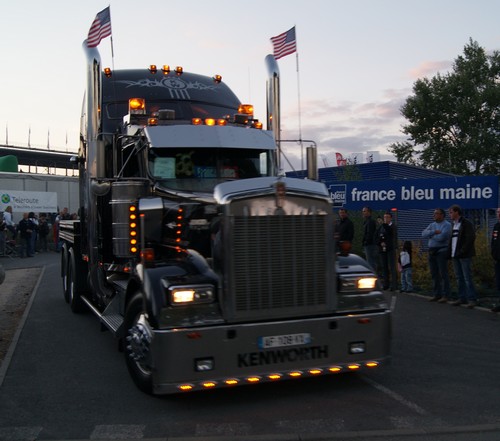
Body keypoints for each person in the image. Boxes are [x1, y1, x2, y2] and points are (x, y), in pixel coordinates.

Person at [448, 204, 477, 308]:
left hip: (464, 255)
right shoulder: (453, 224)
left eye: (451, 212)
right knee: (459, 277)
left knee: (467, 277)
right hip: (454, 254)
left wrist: (462, 251)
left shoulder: (466, 223)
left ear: (457, 212)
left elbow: (470, 238)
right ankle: (462, 297)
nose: (450, 214)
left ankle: (472, 299)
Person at [421, 208, 452, 302]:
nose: (434, 215)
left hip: (441, 251)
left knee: (443, 273)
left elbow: (442, 238)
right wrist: (433, 232)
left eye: (436, 214)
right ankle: (437, 294)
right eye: (434, 213)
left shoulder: (447, 225)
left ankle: (446, 295)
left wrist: (431, 236)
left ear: (442, 215)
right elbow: (423, 234)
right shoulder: (432, 225)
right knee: (434, 274)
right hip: (431, 251)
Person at [377, 211, 398, 291]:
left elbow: (391, 235)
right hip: (382, 249)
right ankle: (386, 284)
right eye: (384, 217)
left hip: (390, 249)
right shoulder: (381, 227)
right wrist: (380, 242)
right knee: (384, 267)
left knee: (392, 267)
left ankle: (394, 285)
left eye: (387, 217)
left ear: (391, 218)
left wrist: (386, 243)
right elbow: (377, 236)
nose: (386, 219)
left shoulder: (393, 226)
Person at [361, 206, 378, 272]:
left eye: (365, 211)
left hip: (370, 245)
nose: (363, 213)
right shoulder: (367, 221)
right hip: (368, 244)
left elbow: (369, 233)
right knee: (370, 261)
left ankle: (373, 276)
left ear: (369, 212)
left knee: (371, 262)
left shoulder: (370, 222)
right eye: (363, 211)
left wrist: (366, 242)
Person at [490, 208, 500, 313]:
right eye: (498, 212)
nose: (499, 214)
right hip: (497, 259)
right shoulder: (496, 226)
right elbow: (493, 241)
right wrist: (493, 253)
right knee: (499, 283)